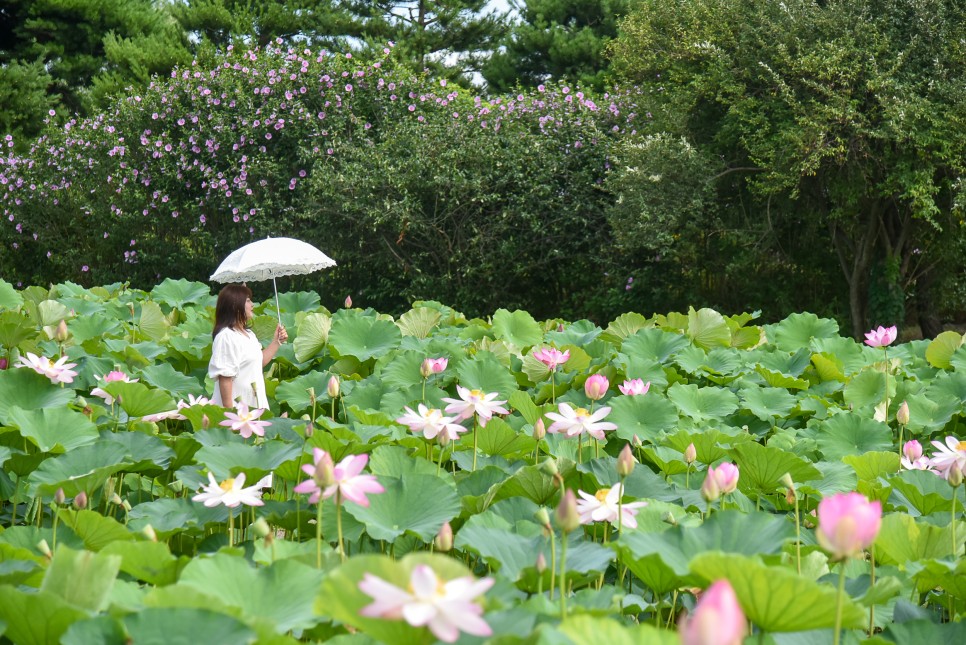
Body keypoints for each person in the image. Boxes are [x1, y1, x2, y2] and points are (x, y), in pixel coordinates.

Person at [208, 283, 288, 409]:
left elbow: (257, 362)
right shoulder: (226, 336)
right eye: (248, 300)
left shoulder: (249, 334)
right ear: (235, 305)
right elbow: (225, 377)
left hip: (254, 405)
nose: (253, 305)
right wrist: (230, 415)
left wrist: (276, 341)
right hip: (237, 410)